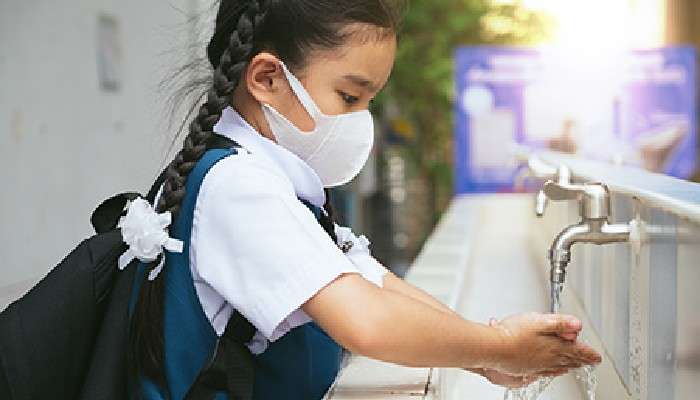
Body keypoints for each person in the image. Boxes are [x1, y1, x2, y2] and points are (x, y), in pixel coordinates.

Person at [126, 0, 601, 398]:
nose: (361, 120)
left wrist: (486, 354)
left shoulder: (272, 178)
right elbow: (366, 320)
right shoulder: (236, 188)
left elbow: (374, 282)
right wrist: (497, 346)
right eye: (350, 96)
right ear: (267, 79)